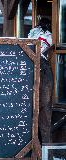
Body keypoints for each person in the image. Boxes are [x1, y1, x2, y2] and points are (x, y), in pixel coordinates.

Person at [28, 18, 54, 146]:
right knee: (45, 111)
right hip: (42, 65)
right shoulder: (49, 35)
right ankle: (46, 152)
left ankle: (35, 149)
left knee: (33, 112)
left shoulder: (32, 32)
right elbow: (46, 46)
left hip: (29, 63)